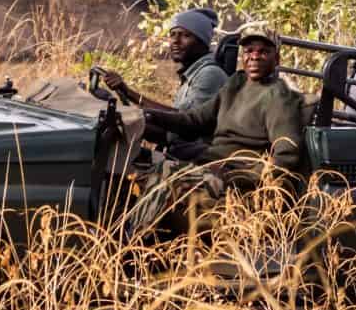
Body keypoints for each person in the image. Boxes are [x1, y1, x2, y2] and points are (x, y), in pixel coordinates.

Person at [125, 24, 307, 241]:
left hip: (233, 177)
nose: (255, 57)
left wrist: (237, 175)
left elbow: (287, 154)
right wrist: (148, 114)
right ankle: (143, 239)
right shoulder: (236, 84)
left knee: (167, 173)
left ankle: (130, 246)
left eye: (263, 52)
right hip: (208, 164)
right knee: (133, 167)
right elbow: (194, 120)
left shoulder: (279, 96)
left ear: (277, 59)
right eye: (249, 51)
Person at [98, 5, 227, 118]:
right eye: (173, 34)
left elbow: (184, 121)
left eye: (186, 35)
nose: (175, 41)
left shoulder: (209, 74)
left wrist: (128, 92)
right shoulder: (193, 73)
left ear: (202, 42)